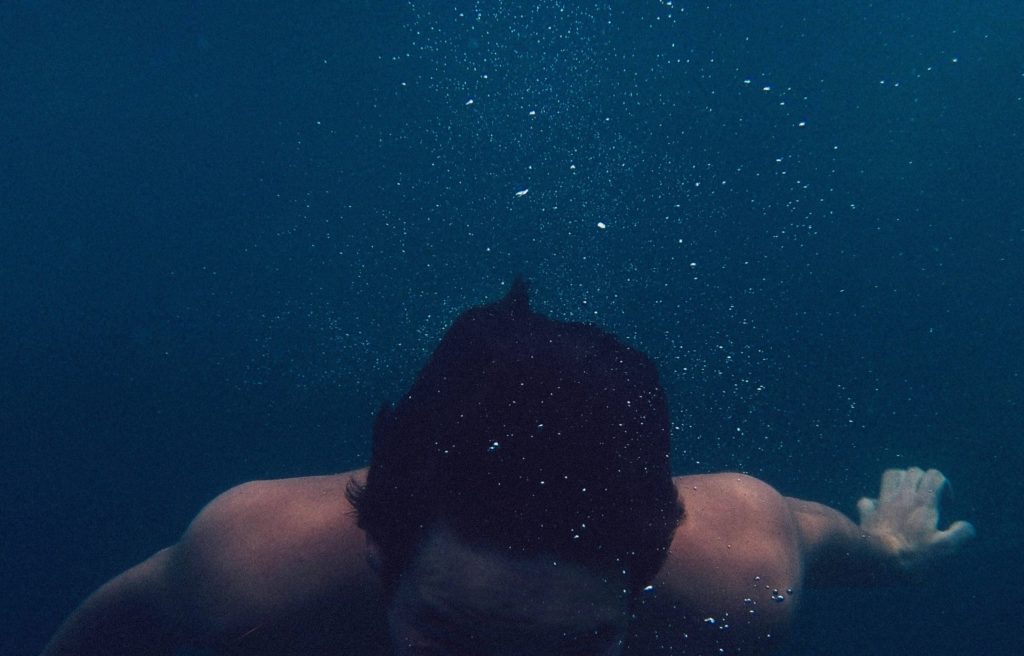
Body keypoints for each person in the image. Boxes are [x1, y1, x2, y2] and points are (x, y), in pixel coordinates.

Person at [41, 280, 975, 656]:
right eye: (451, 638)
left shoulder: (739, 573)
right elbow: (116, 621)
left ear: (649, 577)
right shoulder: (257, 568)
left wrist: (889, 548)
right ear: (379, 556)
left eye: (573, 652)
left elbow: (816, 533)